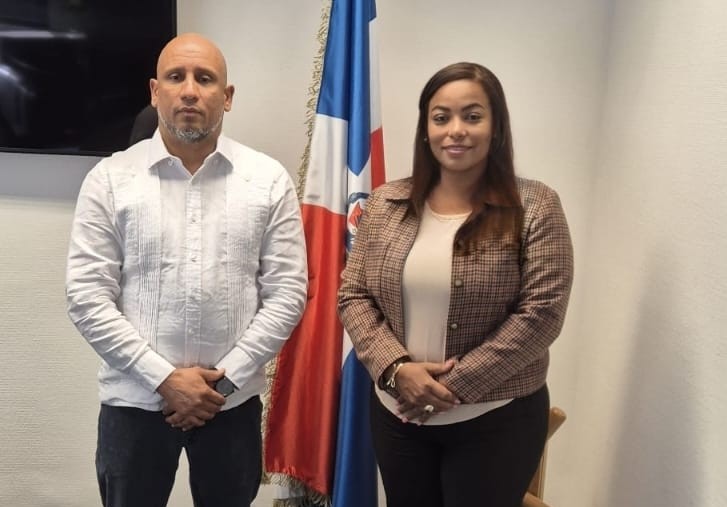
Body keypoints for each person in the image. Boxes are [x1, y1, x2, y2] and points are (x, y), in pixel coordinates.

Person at [66, 33, 307, 507]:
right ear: (155, 92)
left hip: (230, 403)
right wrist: (164, 379)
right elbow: (87, 297)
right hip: (134, 400)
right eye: (176, 77)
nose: (190, 90)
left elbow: (287, 292)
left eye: (205, 78)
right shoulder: (109, 180)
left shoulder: (267, 181)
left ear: (227, 96)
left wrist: (224, 381)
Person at [337, 62, 574, 507]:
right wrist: (397, 370)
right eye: (441, 117)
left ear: (496, 127)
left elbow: (542, 314)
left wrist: (447, 388)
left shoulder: (536, 206)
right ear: (426, 129)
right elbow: (354, 294)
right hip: (399, 416)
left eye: (472, 116)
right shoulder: (386, 202)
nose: (456, 130)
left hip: (496, 421)